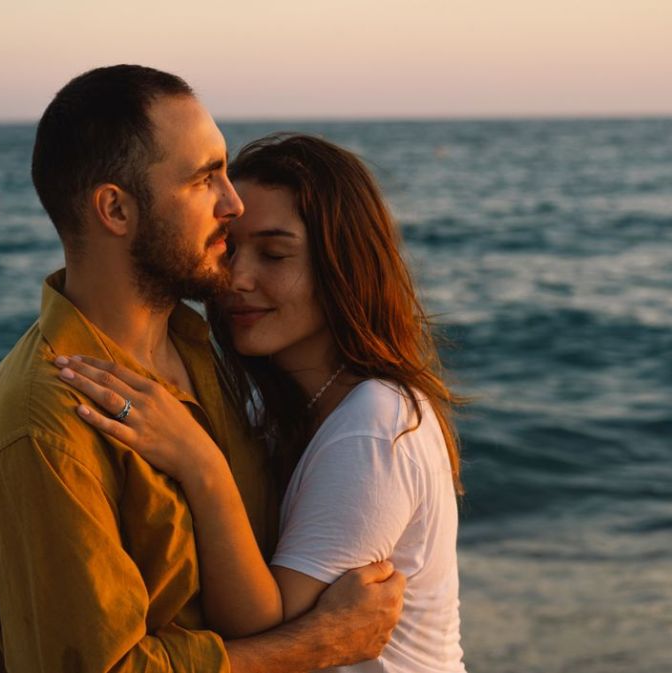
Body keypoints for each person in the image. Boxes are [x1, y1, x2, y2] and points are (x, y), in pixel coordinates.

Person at [0, 66, 405, 673]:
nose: (232, 204)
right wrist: (318, 644)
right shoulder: (43, 425)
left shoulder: (205, 353)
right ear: (116, 209)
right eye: (205, 179)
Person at [54, 134, 467, 672]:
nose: (237, 279)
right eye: (229, 249)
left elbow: (260, 629)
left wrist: (200, 465)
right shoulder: (275, 412)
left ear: (343, 267)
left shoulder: (376, 423)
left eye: (274, 254)